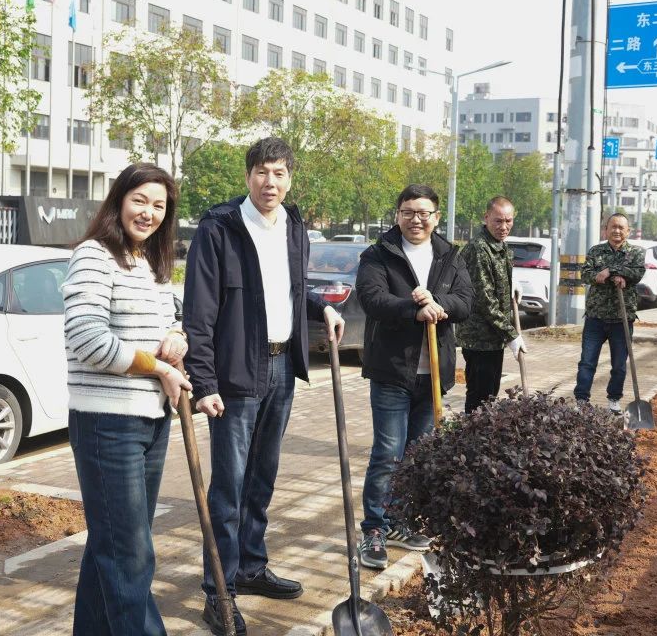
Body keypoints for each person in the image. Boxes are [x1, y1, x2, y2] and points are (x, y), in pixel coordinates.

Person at [182, 137, 345, 636]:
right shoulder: (220, 229)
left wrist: (321, 308)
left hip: (282, 368)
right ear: (247, 176)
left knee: (262, 478)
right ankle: (219, 590)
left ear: (290, 179)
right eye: (261, 172)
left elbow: (290, 289)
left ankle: (250, 566)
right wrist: (204, 382)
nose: (269, 182)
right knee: (228, 487)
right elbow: (199, 314)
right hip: (235, 375)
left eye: (278, 173)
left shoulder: (294, 226)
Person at [62, 163, 192, 636]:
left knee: (113, 546)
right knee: (130, 552)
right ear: (118, 200)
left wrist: (176, 337)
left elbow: (169, 321)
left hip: (150, 421)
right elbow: (87, 339)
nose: (149, 213)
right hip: (107, 424)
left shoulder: (149, 263)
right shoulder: (94, 256)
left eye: (159, 205)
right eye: (140, 200)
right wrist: (159, 367)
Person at [355, 184, 474, 570]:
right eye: (408, 212)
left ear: (436, 218)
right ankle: (375, 528)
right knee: (388, 453)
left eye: (424, 213)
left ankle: (401, 521)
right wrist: (413, 309)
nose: (416, 220)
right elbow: (372, 299)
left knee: (417, 456)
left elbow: (466, 301)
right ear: (398, 215)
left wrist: (439, 304)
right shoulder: (379, 253)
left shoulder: (449, 255)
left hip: (433, 374)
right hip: (392, 370)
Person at [457, 196, 529, 413]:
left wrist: (510, 284)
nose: (503, 226)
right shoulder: (479, 249)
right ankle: (471, 433)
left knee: (489, 395)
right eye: (498, 221)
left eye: (508, 221)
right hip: (479, 338)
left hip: (493, 337)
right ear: (486, 217)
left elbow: (496, 282)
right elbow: (485, 300)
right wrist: (511, 335)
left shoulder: (500, 245)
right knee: (480, 399)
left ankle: (478, 431)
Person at [574, 212, 646, 411]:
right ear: (605, 230)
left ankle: (614, 400)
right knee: (587, 362)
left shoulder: (635, 253)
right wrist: (609, 274)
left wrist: (610, 271)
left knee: (619, 365)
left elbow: (637, 272)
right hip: (595, 317)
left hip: (622, 319)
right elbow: (586, 274)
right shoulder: (596, 251)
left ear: (628, 231)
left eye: (621, 227)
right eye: (613, 226)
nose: (617, 231)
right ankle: (581, 400)